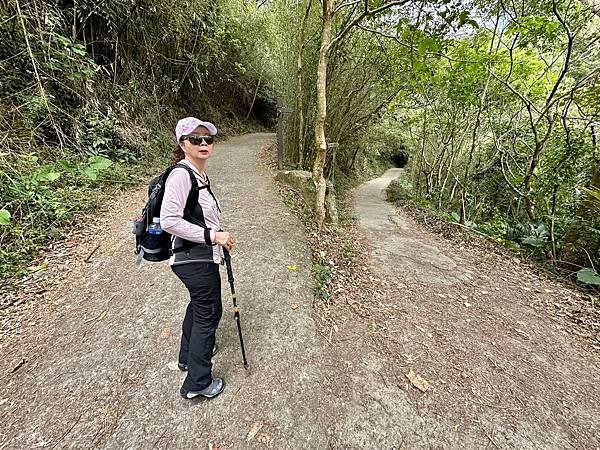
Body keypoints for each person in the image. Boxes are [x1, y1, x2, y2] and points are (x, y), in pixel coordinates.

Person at [160, 117, 235, 399]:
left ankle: (186, 357)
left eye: (208, 139)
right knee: (209, 313)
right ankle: (198, 381)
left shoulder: (197, 173)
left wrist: (217, 237)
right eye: (195, 139)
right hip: (193, 258)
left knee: (200, 305)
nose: (204, 143)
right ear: (182, 144)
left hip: (196, 256)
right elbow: (169, 220)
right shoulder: (182, 175)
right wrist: (214, 237)